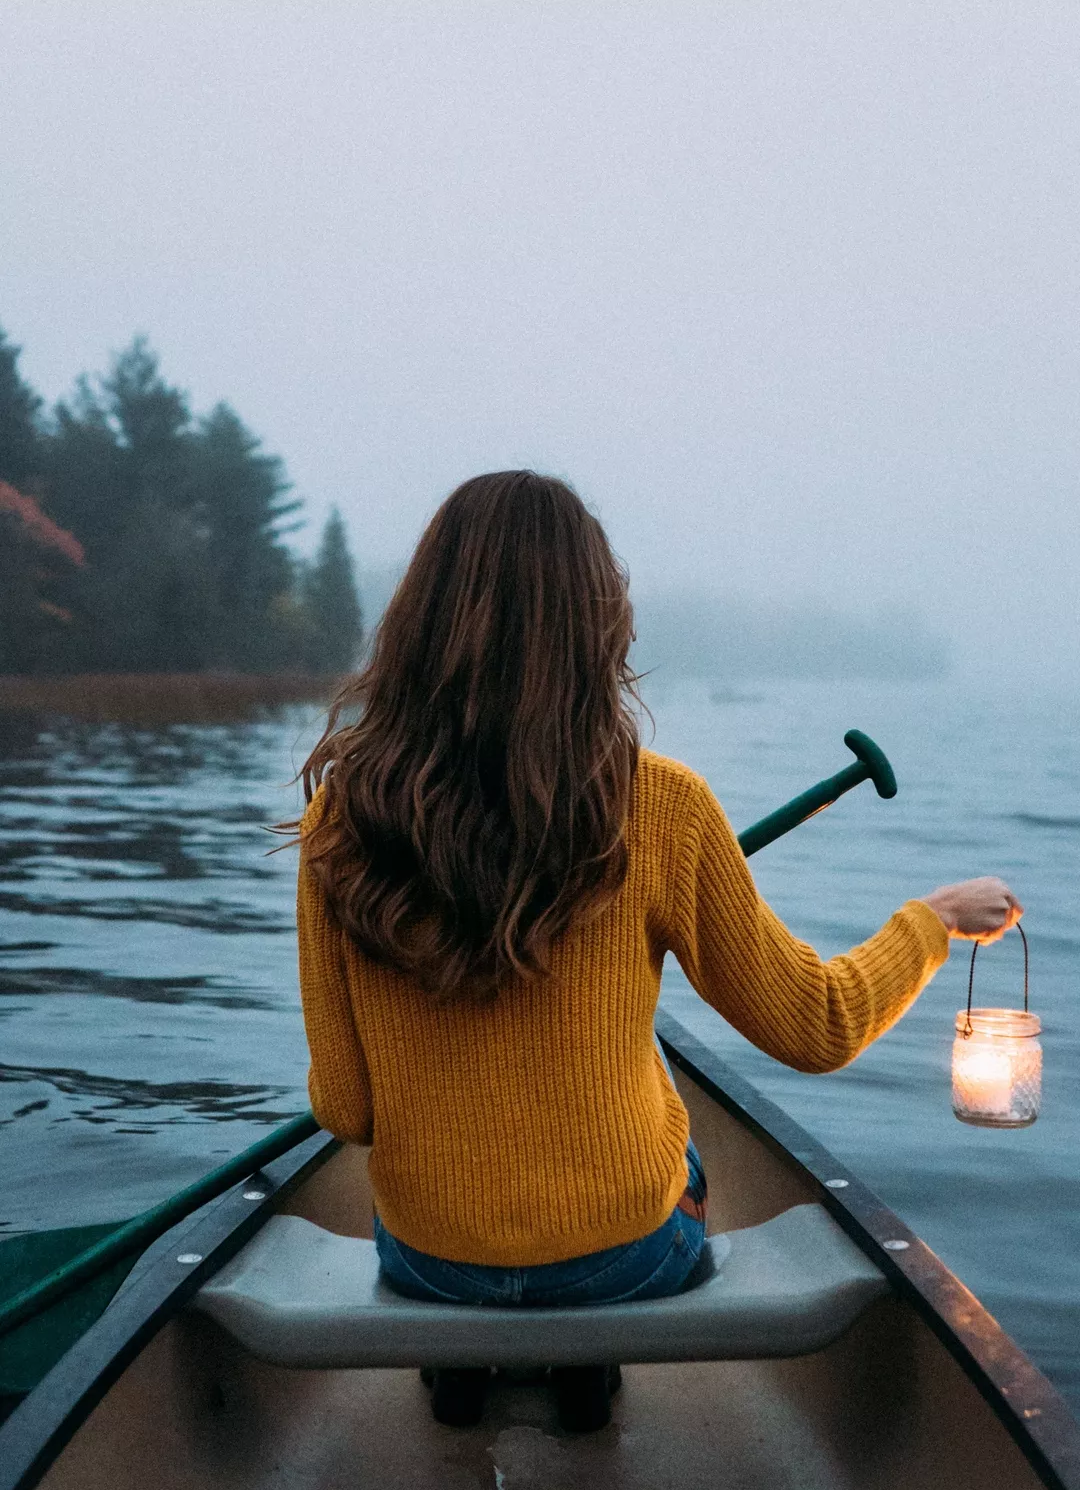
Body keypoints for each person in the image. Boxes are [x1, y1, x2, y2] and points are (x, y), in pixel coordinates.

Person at [295, 471, 1022, 1429]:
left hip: (430, 1258)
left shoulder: (340, 820)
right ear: (599, 626)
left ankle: (460, 1366)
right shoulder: (664, 806)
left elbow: (345, 1109)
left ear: (419, 624)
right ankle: (587, 1372)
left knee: (443, 1206)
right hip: (622, 1258)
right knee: (676, 1139)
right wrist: (932, 921)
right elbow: (818, 1027)